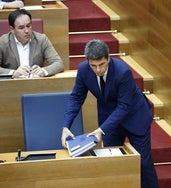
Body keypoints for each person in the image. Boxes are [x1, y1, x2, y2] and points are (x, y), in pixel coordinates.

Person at [61, 39, 159, 188]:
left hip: (134, 116)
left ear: (108, 58)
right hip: (109, 119)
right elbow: (76, 98)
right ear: (87, 61)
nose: (98, 70)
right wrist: (66, 126)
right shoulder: (83, 70)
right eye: (93, 66)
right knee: (111, 162)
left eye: (101, 64)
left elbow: (124, 107)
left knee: (143, 164)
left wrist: (101, 130)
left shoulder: (122, 71)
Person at [0, 9, 64, 78]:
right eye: (21, 28)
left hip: (36, 84)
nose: (27, 31)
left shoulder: (41, 39)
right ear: (12, 29)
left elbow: (58, 63)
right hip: (11, 85)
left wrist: (43, 71)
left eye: (28, 26)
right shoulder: (3, 42)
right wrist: (13, 73)